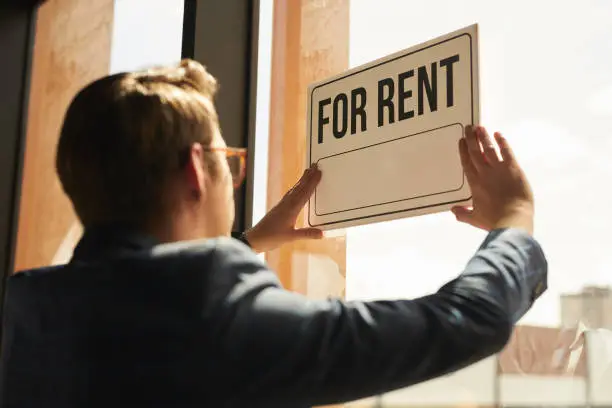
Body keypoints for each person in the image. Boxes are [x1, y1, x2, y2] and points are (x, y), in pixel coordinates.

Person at [0, 59, 547, 408]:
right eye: (226, 160)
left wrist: (250, 241)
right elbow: (463, 323)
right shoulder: (211, 304)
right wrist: (514, 218)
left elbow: (142, 309)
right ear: (197, 170)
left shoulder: (30, 304)